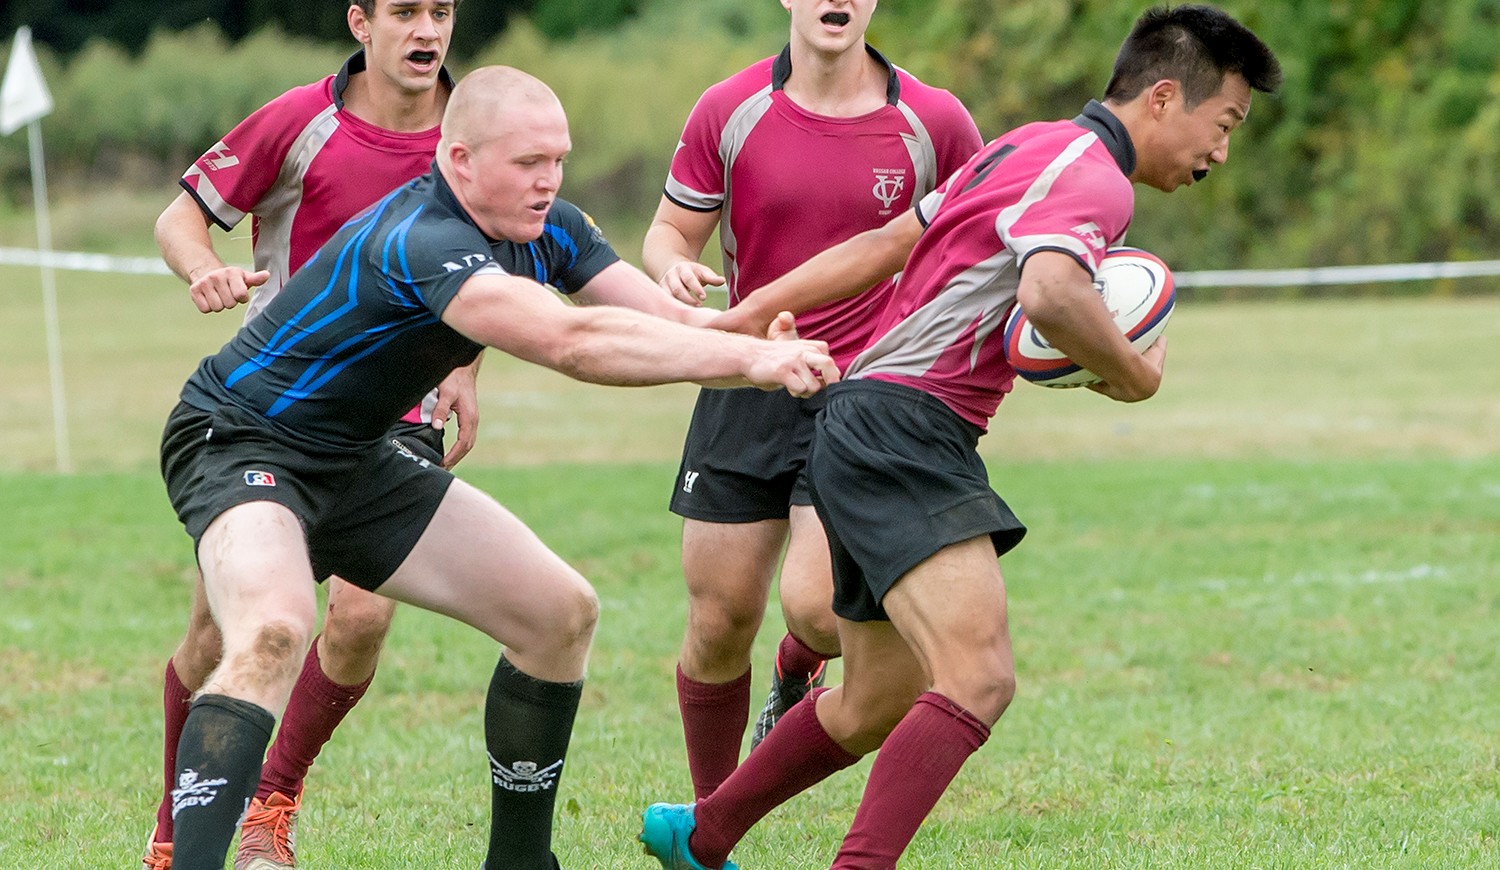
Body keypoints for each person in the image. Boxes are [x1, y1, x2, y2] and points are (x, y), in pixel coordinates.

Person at [640, 5, 1283, 869]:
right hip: (904, 430)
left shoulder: (1028, 145)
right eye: (1226, 122)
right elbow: (1052, 295)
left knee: (874, 701)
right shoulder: (1098, 180)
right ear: (1164, 98)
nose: (1222, 150)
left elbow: (890, 240)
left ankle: (703, 831)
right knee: (979, 677)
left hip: (868, 419)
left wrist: (753, 310)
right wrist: (1135, 373)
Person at [158, 65, 838, 870]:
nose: (548, 180)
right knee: (272, 630)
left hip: (355, 459)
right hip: (241, 441)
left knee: (558, 615)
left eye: (558, 159)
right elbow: (574, 342)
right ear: (459, 160)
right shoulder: (425, 239)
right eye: (527, 163)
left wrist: (754, 344)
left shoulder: (551, 229)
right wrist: (750, 361)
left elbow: (668, 319)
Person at [144, 2, 468, 867]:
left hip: (398, 412)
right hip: (272, 413)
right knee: (221, 636)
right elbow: (180, 216)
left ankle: (271, 801)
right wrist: (204, 266)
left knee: (361, 615)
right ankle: (178, 826)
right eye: (406, 10)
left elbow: (503, 262)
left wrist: (467, 366)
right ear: (362, 22)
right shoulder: (300, 120)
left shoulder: (474, 134)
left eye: (441, 10)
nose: (426, 28)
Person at [642, 0, 982, 800]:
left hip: (863, 394)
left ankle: (799, 666)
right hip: (749, 374)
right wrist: (671, 268)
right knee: (720, 621)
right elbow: (668, 232)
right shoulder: (730, 109)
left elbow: (970, 240)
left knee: (820, 614)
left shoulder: (934, 121)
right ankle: (708, 817)